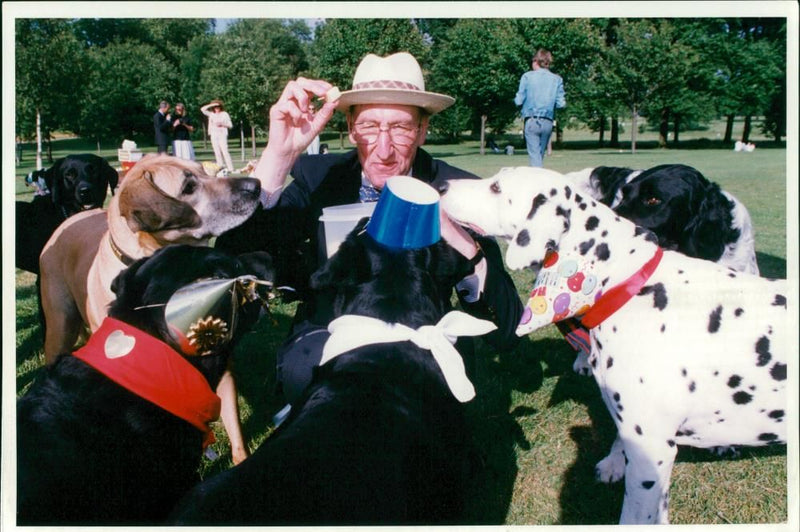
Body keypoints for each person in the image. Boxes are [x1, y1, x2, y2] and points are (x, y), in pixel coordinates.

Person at [216, 52, 524, 405]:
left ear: (423, 129)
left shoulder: (456, 189)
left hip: (423, 332)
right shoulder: (319, 178)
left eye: (400, 127)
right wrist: (277, 158)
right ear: (350, 128)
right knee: (307, 377)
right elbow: (233, 257)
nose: (384, 149)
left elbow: (509, 332)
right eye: (369, 126)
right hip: (326, 330)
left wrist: (466, 247)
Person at [514, 49, 566, 167]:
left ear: (536, 61)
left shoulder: (527, 77)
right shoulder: (557, 79)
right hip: (548, 122)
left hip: (532, 120)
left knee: (535, 158)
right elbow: (561, 104)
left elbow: (518, 101)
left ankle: (539, 183)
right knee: (539, 156)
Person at [201, 100, 234, 173]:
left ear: (220, 107)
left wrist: (222, 124)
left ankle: (230, 168)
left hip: (222, 134)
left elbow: (230, 125)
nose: (216, 108)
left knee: (225, 151)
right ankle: (220, 167)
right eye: (215, 107)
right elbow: (202, 109)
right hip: (214, 134)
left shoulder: (224, 114)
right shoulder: (211, 114)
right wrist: (211, 104)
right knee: (217, 152)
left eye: (218, 107)